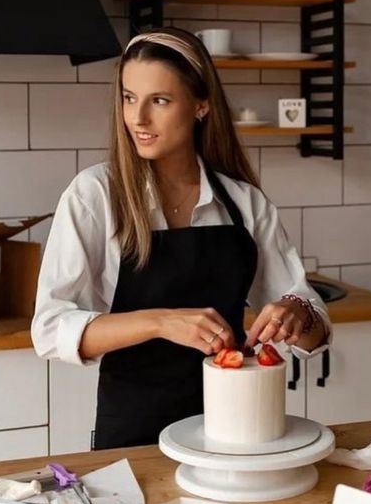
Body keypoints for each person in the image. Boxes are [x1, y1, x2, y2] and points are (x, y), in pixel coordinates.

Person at [31, 27, 331, 450]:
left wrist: (297, 313)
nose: (138, 118)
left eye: (160, 101)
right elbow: (49, 328)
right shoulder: (95, 194)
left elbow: (312, 329)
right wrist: (160, 321)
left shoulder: (244, 202)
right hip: (134, 436)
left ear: (201, 105)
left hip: (235, 432)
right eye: (129, 98)